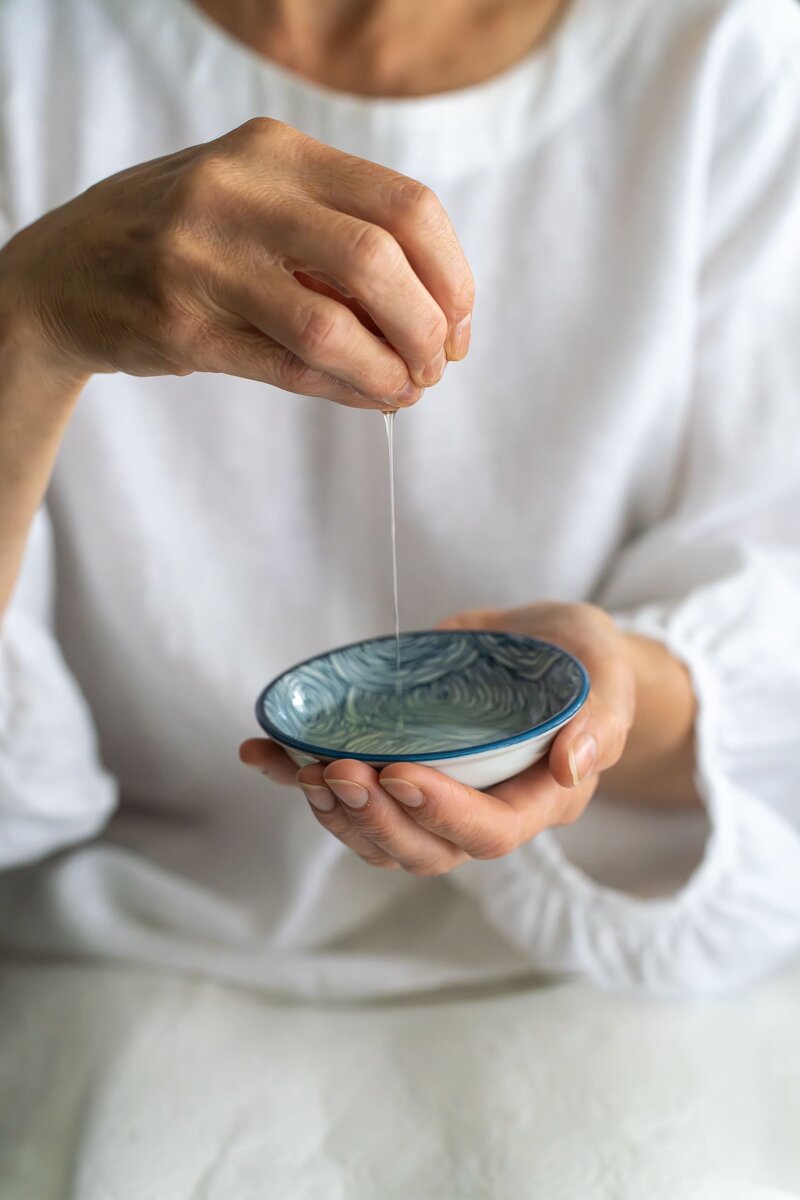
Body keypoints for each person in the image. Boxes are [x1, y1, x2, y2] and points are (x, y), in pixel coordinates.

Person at [0, 0, 799, 1000]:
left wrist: (621, 691)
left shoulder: (725, 62)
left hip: (598, 968)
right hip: (126, 970)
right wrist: (24, 319)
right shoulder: (28, 65)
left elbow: (777, 655)